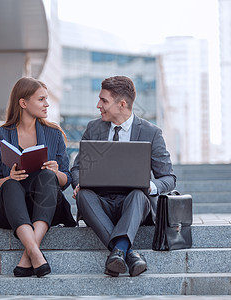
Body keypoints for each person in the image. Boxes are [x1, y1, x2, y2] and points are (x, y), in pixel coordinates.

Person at [71, 76, 176, 277]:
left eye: (104, 101)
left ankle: (119, 251)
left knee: (138, 194)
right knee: (84, 195)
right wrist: (78, 183)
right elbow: (76, 169)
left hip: (133, 206)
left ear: (122, 104)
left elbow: (169, 178)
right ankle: (126, 253)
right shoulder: (93, 128)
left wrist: (150, 186)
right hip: (99, 204)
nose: (98, 105)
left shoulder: (150, 132)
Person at [0, 77, 75, 278]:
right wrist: (9, 178)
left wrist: (56, 172)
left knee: (49, 177)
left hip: (44, 205)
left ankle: (29, 254)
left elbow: (67, 179)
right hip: (11, 208)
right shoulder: (0, 136)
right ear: (23, 103)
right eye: (41, 99)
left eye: (46, 99)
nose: (47, 104)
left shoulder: (54, 134)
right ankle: (35, 253)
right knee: (11, 185)